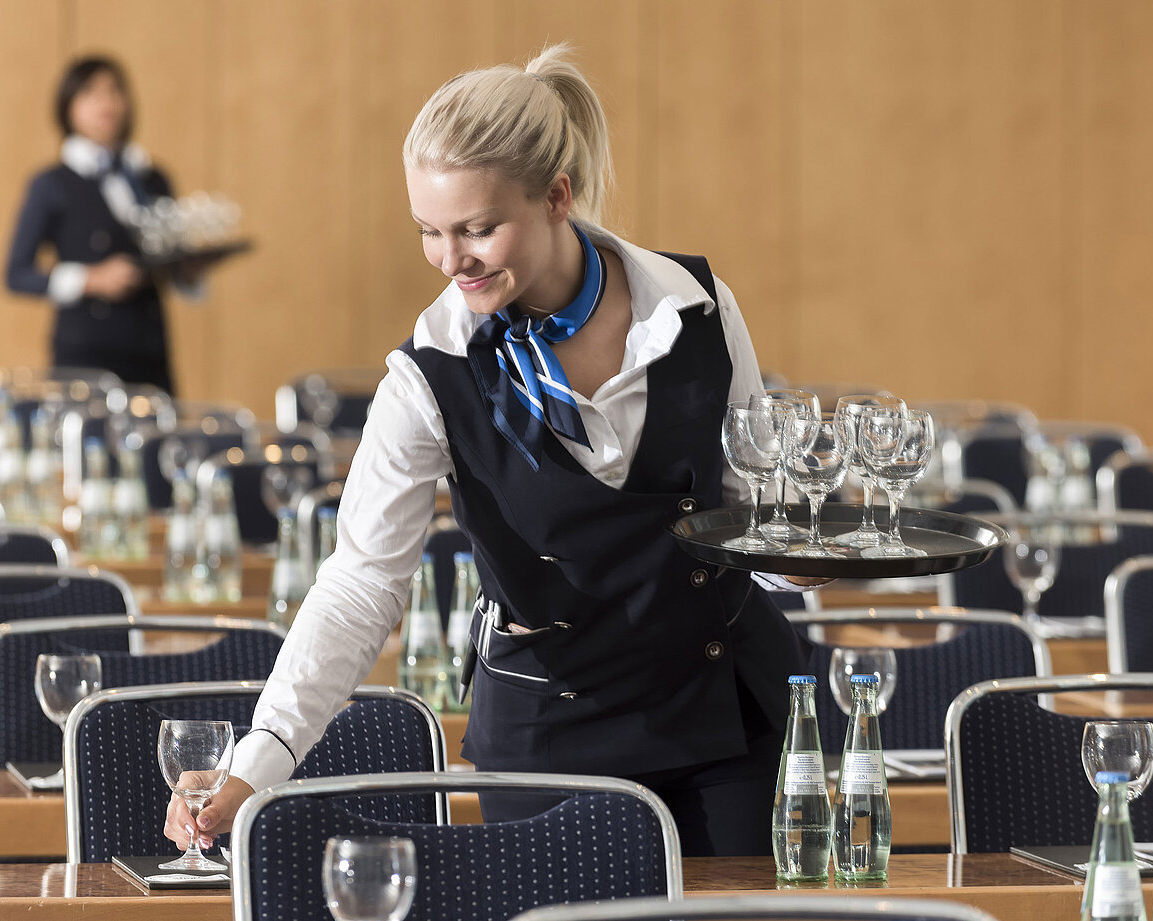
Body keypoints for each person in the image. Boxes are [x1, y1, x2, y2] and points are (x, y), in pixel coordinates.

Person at [163, 43, 810, 857]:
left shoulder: (697, 307)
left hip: (730, 715)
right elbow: (362, 581)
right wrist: (259, 761)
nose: (449, 258)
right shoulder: (428, 374)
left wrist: (803, 554)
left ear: (557, 197)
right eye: (429, 231)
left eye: (477, 228)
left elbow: (752, 509)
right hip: (553, 735)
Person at [5, 55, 199, 393]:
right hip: (86, 353)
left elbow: (173, 263)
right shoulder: (52, 183)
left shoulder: (152, 178)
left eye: (114, 91)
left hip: (148, 350)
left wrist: (192, 268)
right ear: (67, 106)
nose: (105, 103)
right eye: (90, 93)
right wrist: (91, 279)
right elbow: (16, 274)